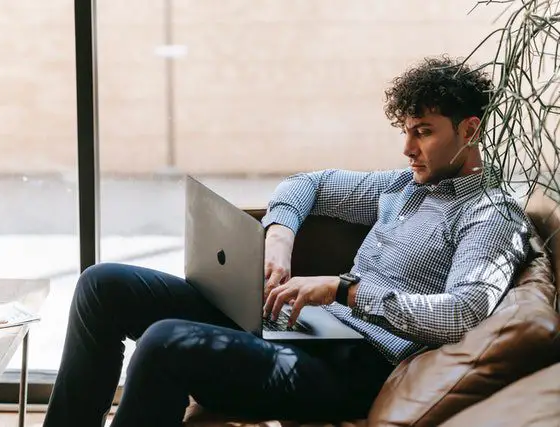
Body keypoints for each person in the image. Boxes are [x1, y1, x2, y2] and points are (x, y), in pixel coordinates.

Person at [43, 55, 531, 427]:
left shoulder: (490, 214)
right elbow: (306, 183)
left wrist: (344, 290)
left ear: (471, 130)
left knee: (165, 342)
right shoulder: (405, 185)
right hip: (307, 329)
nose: (408, 149)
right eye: (406, 132)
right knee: (102, 285)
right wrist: (278, 239)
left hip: (351, 367)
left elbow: (463, 312)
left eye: (423, 133)